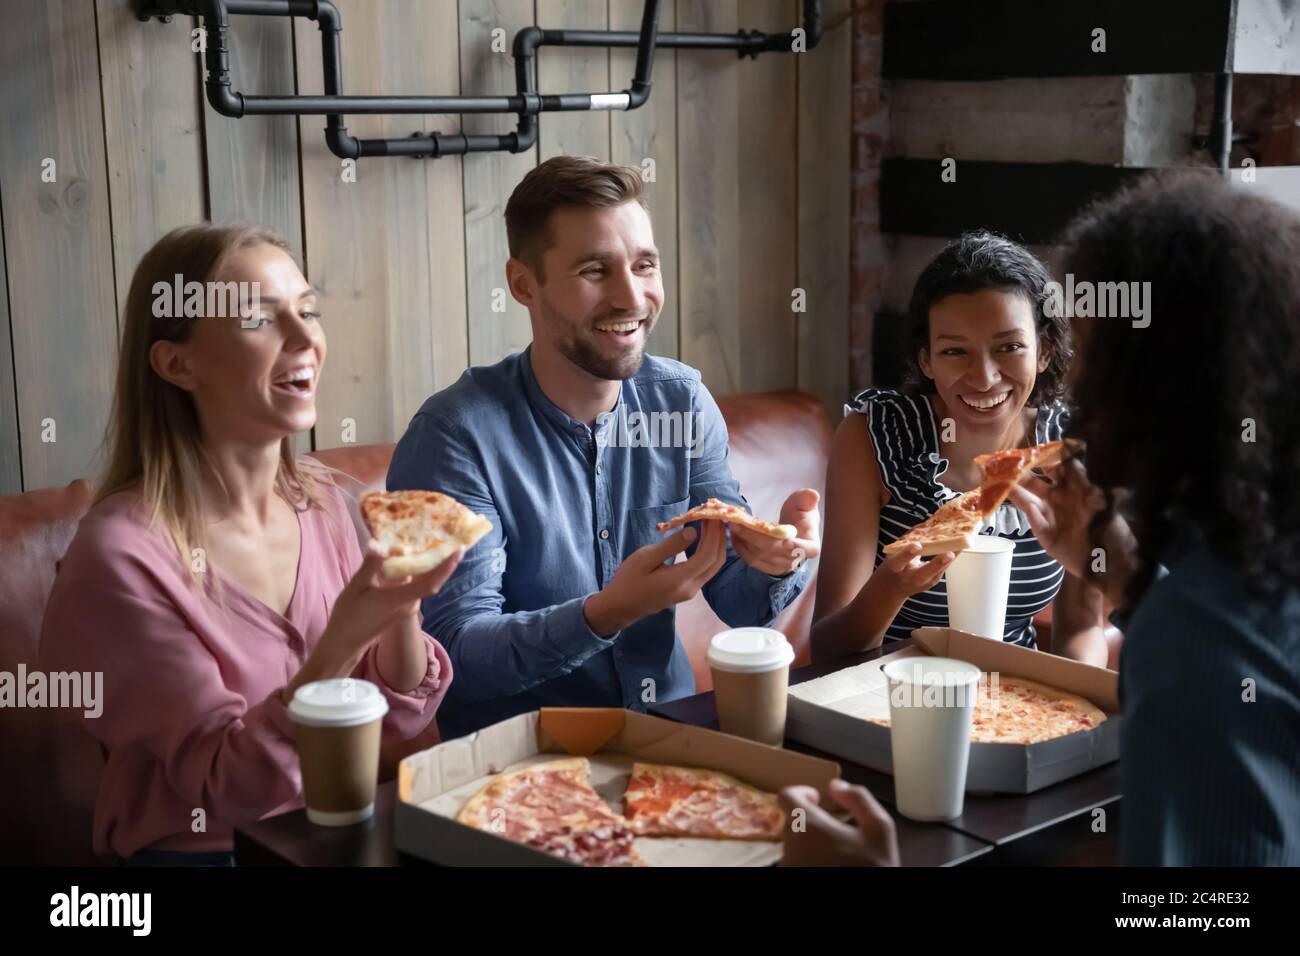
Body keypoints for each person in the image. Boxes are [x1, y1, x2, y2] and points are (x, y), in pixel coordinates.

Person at [39, 224, 460, 866]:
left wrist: (403, 606)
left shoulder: (321, 501)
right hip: (204, 854)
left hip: (331, 839)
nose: (304, 339)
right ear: (177, 363)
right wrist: (344, 638)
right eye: (259, 319)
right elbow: (229, 790)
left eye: (307, 310)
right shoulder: (120, 557)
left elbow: (394, 723)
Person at [388, 156, 821, 739]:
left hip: (672, 736)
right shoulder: (455, 436)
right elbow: (457, 658)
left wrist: (777, 562)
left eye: (644, 266)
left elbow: (740, 601)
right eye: (596, 270)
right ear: (523, 284)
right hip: (524, 769)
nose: (631, 297)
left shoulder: (682, 402)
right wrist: (606, 613)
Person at [1010, 173, 1300, 865]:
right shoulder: (1262, 546)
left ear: (1148, 381)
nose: (1075, 385)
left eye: (1091, 354)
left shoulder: (1199, 639)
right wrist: (1132, 583)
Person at [811, 232, 1111, 665]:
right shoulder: (872, 435)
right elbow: (828, 646)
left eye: (1009, 346)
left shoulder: (1073, 449)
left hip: (1017, 707)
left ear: (1043, 351)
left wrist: (1076, 713)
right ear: (926, 360)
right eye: (955, 351)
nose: (985, 377)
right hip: (892, 701)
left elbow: (1082, 627)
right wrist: (892, 587)